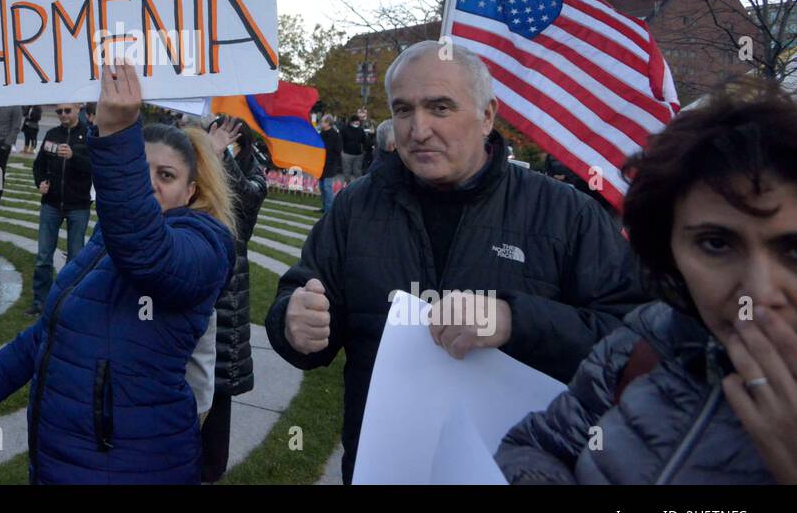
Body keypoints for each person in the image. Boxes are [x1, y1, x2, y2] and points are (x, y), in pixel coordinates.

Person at [266, 40, 647, 483]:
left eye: (440, 107)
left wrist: (514, 320)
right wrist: (292, 322)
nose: (418, 129)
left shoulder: (565, 214)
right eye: (403, 110)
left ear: (487, 115)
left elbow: (631, 343)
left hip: (517, 471)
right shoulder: (356, 208)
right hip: (380, 467)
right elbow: (302, 298)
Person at [496, 82, 797, 484]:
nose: (760, 292)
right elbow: (538, 446)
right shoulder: (647, 342)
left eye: (793, 251)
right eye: (715, 244)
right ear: (669, 249)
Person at [0, 60, 235, 483]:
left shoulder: (204, 245)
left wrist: (115, 134)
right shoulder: (107, 237)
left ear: (191, 192)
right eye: (138, 169)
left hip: (133, 462)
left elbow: (147, 253)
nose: (147, 184)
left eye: (165, 175)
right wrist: (1, 374)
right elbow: (62, 323)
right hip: (67, 454)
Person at [200, 114, 268, 482]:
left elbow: (241, 208)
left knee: (217, 397)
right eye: (215, 136)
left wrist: (219, 155)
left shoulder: (254, 176)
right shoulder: (195, 164)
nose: (219, 143)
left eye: (229, 139)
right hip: (191, 297)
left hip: (226, 305)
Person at [28, 103, 92, 316]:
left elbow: (95, 167)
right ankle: (40, 302)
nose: (63, 115)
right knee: (43, 257)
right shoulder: (52, 134)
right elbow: (38, 165)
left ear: (77, 110)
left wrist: (74, 156)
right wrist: (41, 183)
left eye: (67, 110)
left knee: (75, 257)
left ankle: (68, 303)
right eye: (59, 111)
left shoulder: (89, 134)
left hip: (78, 205)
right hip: (51, 204)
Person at [317, 113, 342, 212]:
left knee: (327, 187)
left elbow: (338, 149)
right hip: (321, 164)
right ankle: (324, 207)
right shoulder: (321, 134)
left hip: (330, 164)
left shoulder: (335, 135)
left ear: (328, 123)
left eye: (323, 121)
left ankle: (329, 210)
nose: (321, 123)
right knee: (322, 187)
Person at [340, 109, 368, 183]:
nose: (358, 122)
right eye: (356, 121)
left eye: (358, 121)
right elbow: (340, 140)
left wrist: (364, 150)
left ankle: (358, 185)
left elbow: (364, 141)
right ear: (352, 121)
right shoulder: (345, 129)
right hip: (348, 154)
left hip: (357, 154)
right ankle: (348, 186)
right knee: (347, 172)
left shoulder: (360, 130)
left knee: (357, 172)